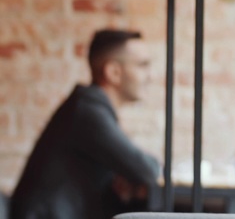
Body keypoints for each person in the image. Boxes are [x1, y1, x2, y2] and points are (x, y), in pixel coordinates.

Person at [10, 29, 161, 219]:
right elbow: (146, 170)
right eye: (142, 65)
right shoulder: (88, 110)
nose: (151, 76)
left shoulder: (87, 107)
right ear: (113, 72)